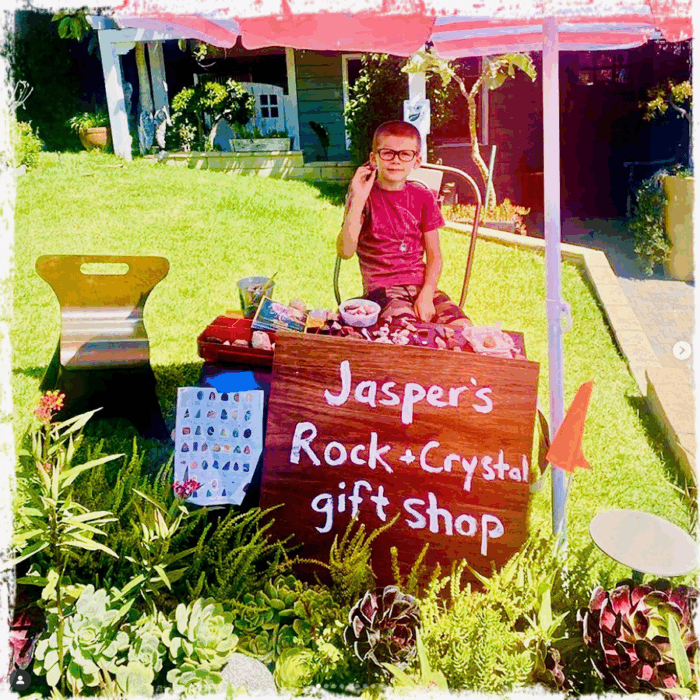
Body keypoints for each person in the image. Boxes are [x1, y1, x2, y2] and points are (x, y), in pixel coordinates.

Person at [336, 120, 471, 328]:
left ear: (416, 161)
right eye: (388, 153)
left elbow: (435, 256)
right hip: (382, 290)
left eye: (405, 154)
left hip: (423, 287)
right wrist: (358, 198)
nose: (396, 160)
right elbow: (345, 251)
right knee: (408, 331)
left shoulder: (423, 195)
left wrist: (426, 294)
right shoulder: (364, 198)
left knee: (464, 329)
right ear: (374, 158)